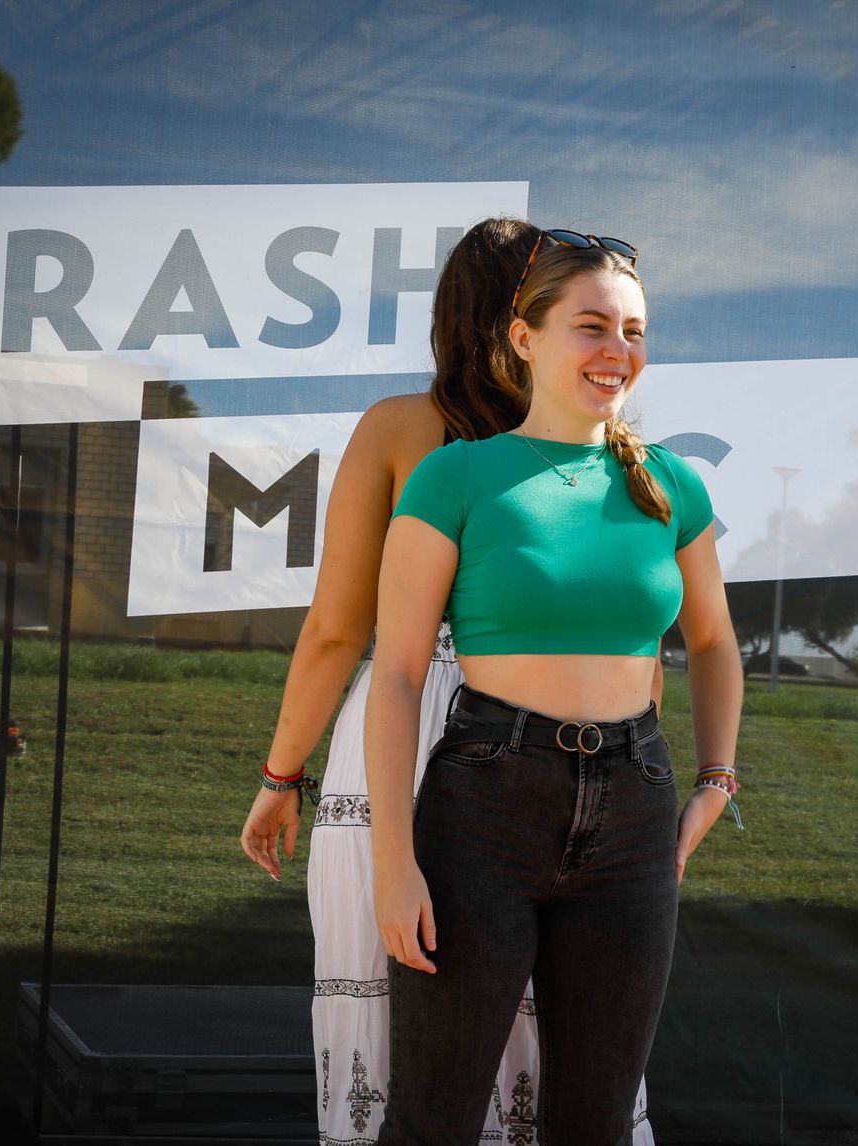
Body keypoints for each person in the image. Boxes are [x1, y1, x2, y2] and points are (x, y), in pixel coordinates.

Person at [238, 218, 663, 1144]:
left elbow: (337, 630)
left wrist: (280, 777)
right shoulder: (601, 439)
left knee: (409, 996)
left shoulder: (401, 428)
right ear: (534, 316)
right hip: (561, 737)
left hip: (415, 727)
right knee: (569, 1032)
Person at [366, 231, 743, 1145]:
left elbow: (716, 642)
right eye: (592, 326)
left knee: (596, 1123)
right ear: (524, 337)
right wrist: (392, 861)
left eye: (634, 330)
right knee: (433, 1120)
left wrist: (715, 779)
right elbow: (399, 673)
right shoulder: (455, 475)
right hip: (484, 806)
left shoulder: (669, 484)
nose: (618, 351)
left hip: (635, 811)